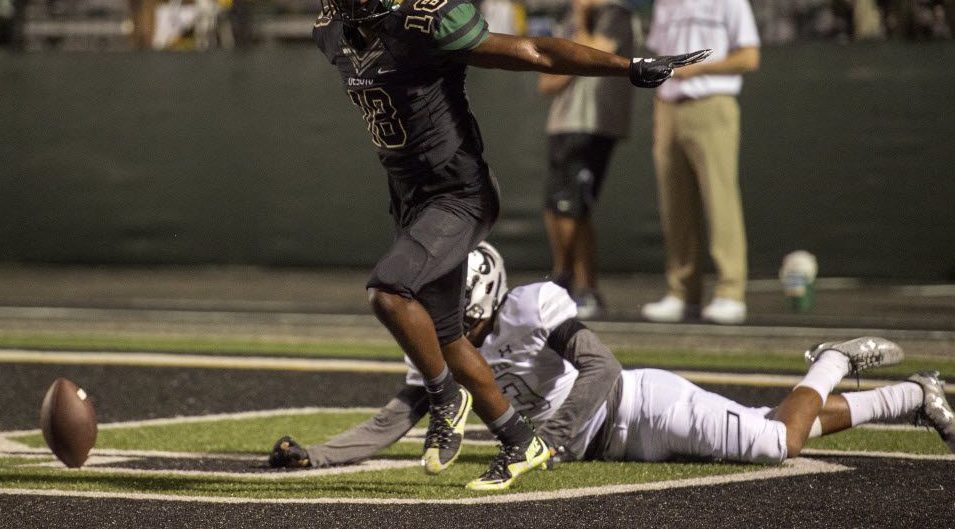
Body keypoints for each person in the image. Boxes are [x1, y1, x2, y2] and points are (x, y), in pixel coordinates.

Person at [312, 0, 708, 490]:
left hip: (459, 194)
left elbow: (534, 51)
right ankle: (520, 442)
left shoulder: (427, 24)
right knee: (447, 335)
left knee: (389, 292)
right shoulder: (330, 32)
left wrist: (624, 67)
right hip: (409, 197)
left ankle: (444, 400)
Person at [270, 243, 955, 470]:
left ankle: (830, 358)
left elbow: (603, 368)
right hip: (611, 444)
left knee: (778, 439)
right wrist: (316, 456)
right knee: (769, 422)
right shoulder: (444, 345)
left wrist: (546, 441)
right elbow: (391, 419)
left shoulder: (531, 304)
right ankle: (915, 396)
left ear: (479, 292)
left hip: (644, 406)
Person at [640, 0, 759, 326]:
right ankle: (682, 291)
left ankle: (730, 291)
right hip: (669, 108)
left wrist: (701, 68)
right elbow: (657, 49)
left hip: (713, 104)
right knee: (675, 205)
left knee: (719, 198)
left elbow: (749, 57)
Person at [539, 0, 634, 320]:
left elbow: (593, 55)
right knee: (555, 205)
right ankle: (564, 280)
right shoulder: (569, 18)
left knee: (576, 205)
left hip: (594, 122)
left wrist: (581, 24)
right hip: (563, 121)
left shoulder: (614, 11)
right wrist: (577, 33)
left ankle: (587, 286)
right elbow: (547, 80)